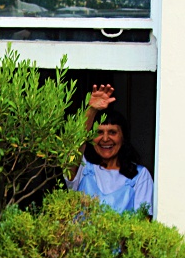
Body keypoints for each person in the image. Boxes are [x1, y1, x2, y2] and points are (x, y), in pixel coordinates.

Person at [65, 84, 154, 214]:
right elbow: (73, 148)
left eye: (112, 132)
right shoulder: (82, 168)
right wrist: (91, 111)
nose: (105, 139)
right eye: (99, 132)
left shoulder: (140, 176)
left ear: (123, 138)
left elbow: (144, 225)